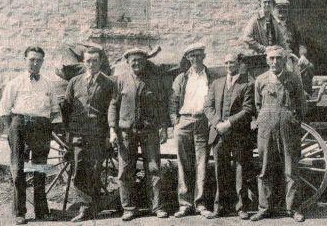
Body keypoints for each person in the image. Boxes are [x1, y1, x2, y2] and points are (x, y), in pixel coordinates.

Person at [0, 46, 59, 225]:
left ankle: (41, 211)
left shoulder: (48, 83)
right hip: (19, 125)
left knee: (40, 169)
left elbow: (55, 110)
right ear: (25, 60)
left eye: (39, 60)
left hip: (41, 127)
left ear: (42, 62)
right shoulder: (15, 83)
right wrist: (10, 131)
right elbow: (3, 109)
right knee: (18, 170)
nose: (35, 63)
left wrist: (51, 127)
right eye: (32, 59)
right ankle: (19, 212)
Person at [108, 48, 170, 221]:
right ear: (128, 62)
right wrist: (113, 129)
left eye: (140, 60)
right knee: (126, 170)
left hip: (149, 131)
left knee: (154, 168)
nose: (137, 63)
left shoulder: (154, 80)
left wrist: (163, 127)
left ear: (146, 61)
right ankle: (129, 208)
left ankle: (157, 206)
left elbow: (162, 105)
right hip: (126, 132)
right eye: (133, 60)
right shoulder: (121, 80)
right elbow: (113, 105)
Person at [250, 45, 306, 223]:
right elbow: (258, 105)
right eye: (271, 58)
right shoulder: (260, 80)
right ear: (267, 60)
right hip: (266, 128)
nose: (275, 62)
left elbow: (302, 106)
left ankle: (293, 209)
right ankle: (264, 208)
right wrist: (265, 119)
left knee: (290, 169)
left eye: (278, 58)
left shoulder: (293, 79)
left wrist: (292, 120)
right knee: (265, 168)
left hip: (287, 128)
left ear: (284, 60)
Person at [61, 46, 113, 222]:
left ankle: (93, 207)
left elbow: (111, 110)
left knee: (95, 170)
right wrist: (68, 132)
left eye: (95, 61)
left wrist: (108, 135)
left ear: (100, 62)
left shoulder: (108, 83)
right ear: (84, 62)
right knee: (79, 169)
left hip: (97, 134)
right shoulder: (74, 82)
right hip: (78, 134)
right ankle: (84, 208)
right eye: (88, 60)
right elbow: (67, 108)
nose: (91, 64)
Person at [203, 53, 255, 220]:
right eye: (226, 62)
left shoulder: (247, 84)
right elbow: (208, 106)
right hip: (219, 134)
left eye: (232, 62)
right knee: (220, 170)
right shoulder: (216, 83)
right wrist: (218, 123)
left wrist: (229, 123)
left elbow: (248, 110)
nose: (228, 65)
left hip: (239, 134)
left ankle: (241, 207)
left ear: (239, 64)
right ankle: (220, 207)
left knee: (241, 170)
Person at [169, 43, 214, 218]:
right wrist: (176, 122)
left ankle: (200, 204)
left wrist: (211, 121)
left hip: (202, 121)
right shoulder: (181, 78)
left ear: (204, 56)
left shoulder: (211, 77)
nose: (195, 59)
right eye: (191, 56)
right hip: (184, 121)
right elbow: (173, 101)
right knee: (184, 163)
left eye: (198, 55)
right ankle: (185, 204)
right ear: (188, 59)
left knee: (201, 163)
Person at [274, 0, 314, 96]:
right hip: (277, 58)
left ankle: (305, 95)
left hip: (291, 58)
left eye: (285, 8)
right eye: (279, 7)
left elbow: (301, 43)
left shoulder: (292, 26)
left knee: (308, 66)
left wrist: (303, 55)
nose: (282, 10)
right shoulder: (271, 25)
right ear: (274, 9)